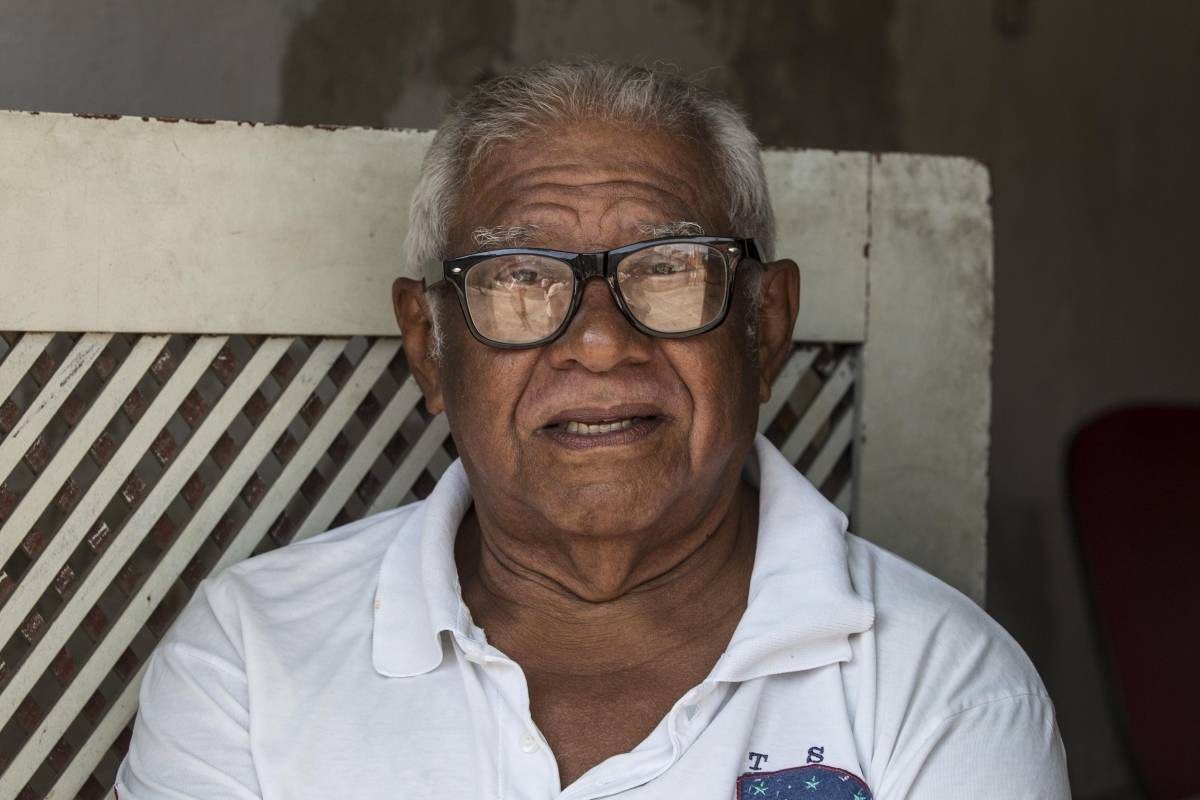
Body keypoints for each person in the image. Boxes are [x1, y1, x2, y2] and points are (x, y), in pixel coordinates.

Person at [115, 62, 1070, 799]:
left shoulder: (945, 690)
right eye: (522, 277)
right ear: (430, 348)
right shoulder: (250, 660)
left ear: (764, 328)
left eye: (668, 268)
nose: (602, 343)